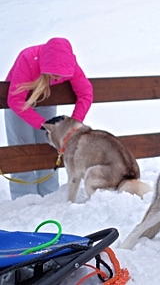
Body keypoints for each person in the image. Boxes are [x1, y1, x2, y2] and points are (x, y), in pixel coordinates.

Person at [4, 37, 93, 200]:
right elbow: (15, 100)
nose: (58, 79)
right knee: (22, 147)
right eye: (54, 75)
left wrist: (73, 122)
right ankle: (24, 199)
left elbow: (85, 93)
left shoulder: (71, 65)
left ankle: (49, 194)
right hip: (19, 105)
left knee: (49, 146)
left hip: (46, 101)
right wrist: (41, 125)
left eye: (61, 76)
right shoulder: (27, 58)